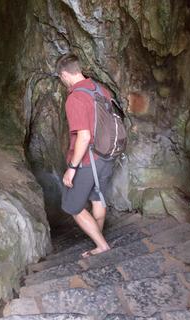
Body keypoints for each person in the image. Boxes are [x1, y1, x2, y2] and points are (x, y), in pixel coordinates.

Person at [56, 54, 114, 258]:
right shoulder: (101, 90)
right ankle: (98, 239)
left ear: (64, 74)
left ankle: (102, 245)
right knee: (97, 198)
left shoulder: (75, 98)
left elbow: (84, 136)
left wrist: (71, 168)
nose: (62, 81)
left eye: (61, 78)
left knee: (72, 206)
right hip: (107, 155)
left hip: (88, 160)